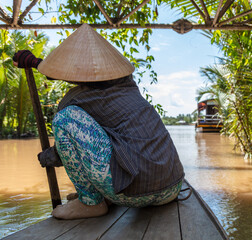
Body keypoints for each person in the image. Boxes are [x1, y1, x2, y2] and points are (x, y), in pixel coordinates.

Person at [12, 23, 185, 220]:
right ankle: (104, 196)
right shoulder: (129, 86)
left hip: (138, 194)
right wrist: (36, 63)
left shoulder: (75, 100)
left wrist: (46, 158)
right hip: (172, 187)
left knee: (64, 119)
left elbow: (65, 152)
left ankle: (90, 203)